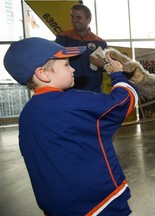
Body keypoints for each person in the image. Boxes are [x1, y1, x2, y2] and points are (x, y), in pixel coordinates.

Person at [3, 37, 138, 216]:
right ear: (43, 73)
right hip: (98, 203)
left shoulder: (27, 114)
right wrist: (118, 74)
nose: (73, 68)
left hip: (57, 206)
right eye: (66, 65)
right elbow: (125, 100)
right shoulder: (74, 101)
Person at [56, 4, 107, 93]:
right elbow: (54, 63)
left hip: (93, 92)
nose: (74, 20)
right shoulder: (63, 38)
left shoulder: (100, 43)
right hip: (68, 92)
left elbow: (108, 66)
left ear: (89, 19)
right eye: (72, 17)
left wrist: (102, 65)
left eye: (78, 17)